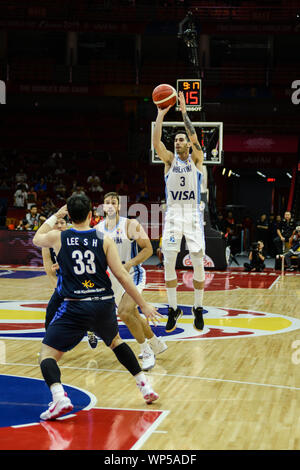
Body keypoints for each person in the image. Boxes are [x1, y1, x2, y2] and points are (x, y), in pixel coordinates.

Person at [33, 194, 161, 420]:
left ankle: (59, 397)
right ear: (91, 216)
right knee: (116, 343)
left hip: (75, 306)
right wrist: (144, 304)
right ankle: (145, 387)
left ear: (69, 216)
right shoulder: (104, 239)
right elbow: (122, 275)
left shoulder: (58, 237)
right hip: (103, 304)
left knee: (47, 354)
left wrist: (56, 216)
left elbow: (36, 238)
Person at [152, 90, 205, 333]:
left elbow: (195, 138)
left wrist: (184, 114)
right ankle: (174, 308)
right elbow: (156, 143)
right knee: (169, 263)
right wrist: (160, 114)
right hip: (173, 216)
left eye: (181, 140)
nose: (178, 142)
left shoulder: (196, 160)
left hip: (192, 215)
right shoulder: (169, 161)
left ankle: (197, 307)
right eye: (177, 140)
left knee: (198, 263)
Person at [96, 192, 167, 371]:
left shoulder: (130, 224)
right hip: (111, 279)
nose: (110, 205)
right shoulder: (98, 229)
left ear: (119, 206)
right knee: (133, 315)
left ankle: (146, 351)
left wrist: (131, 263)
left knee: (125, 312)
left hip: (132, 275)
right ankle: (155, 342)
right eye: (107, 203)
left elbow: (148, 249)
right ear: (103, 207)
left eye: (114, 202)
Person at [42, 216, 99, 348]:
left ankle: (90, 329)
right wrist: (57, 286)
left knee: (83, 310)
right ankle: (48, 345)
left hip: (80, 281)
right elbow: (48, 266)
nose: (60, 225)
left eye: (62, 222)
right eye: (57, 223)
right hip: (63, 283)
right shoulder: (48, 242)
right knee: (51, 312)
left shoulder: (72, 239)